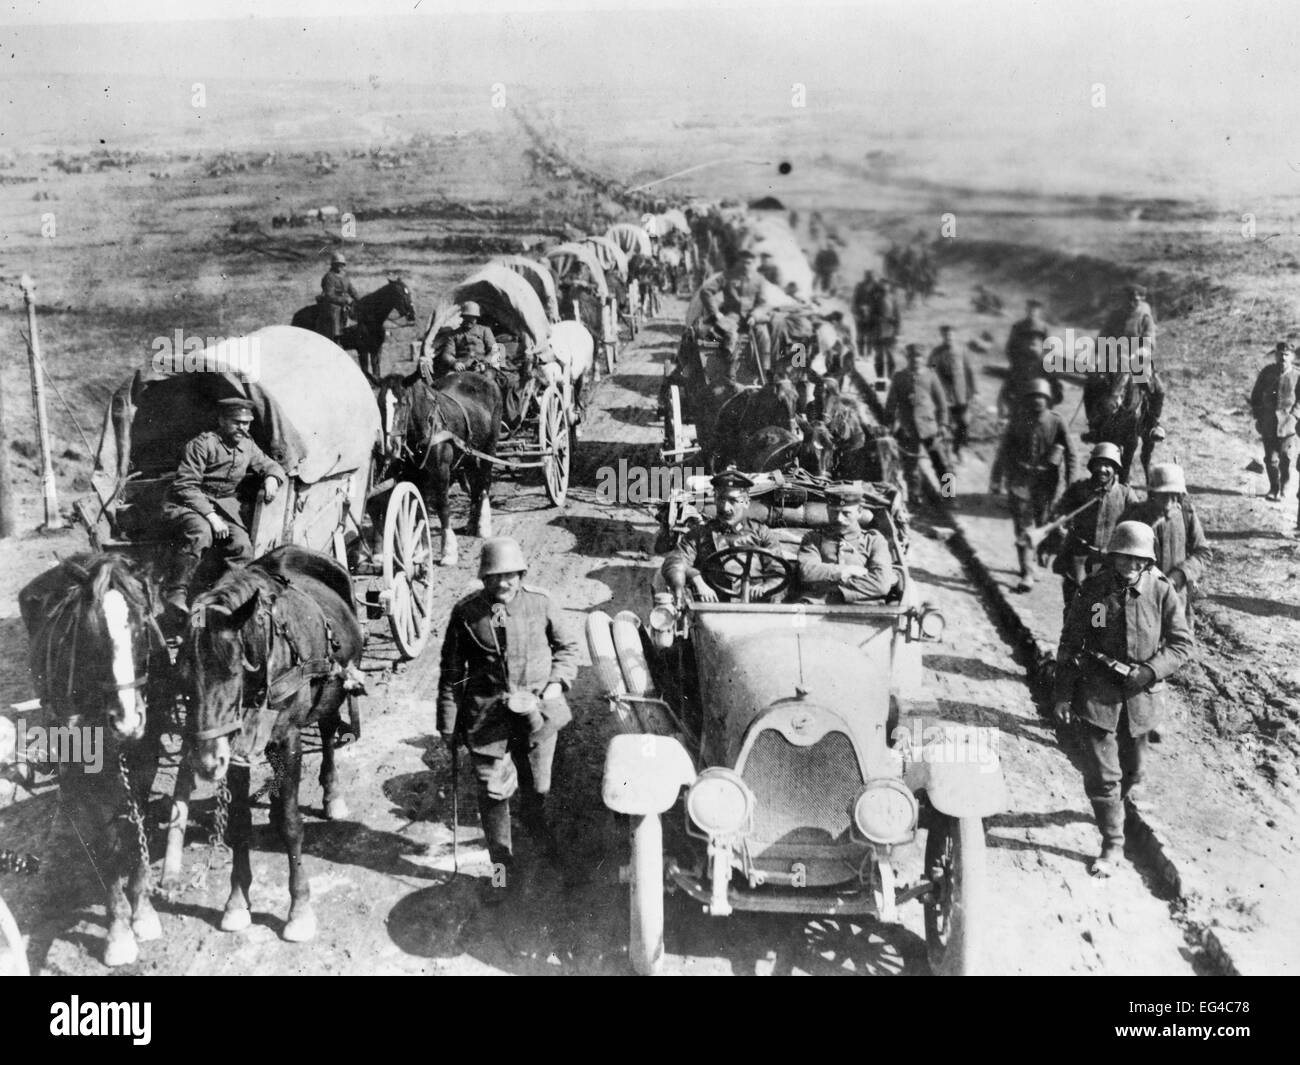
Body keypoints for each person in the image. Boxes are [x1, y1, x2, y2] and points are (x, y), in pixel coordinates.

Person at [437, 537, 580, 903]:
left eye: (510, 575)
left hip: (538, 716)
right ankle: (501, 875)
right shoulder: (466, 613)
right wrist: (448, 726)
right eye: (495, 577)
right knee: (492, 796)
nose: (503, 583)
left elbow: (568, 649)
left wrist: (555, 685)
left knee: (538, 792)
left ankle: (545, 847)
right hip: (487, 722)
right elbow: (452, 673)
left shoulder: (541, 604)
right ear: (484, 578)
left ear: (521, 574)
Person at [1052, 521, 1194, 877]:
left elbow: (1181, 644)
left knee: (1134, 771)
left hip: (1141, 697)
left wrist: (1149, 671)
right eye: (1123, 558)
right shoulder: (1096, 592)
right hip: (1098, 694)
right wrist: (1063, 694)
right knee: (1104, 776)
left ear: (1147, 562)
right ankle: (1112, 843)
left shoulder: (1161, 592)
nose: (1130, 566)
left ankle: (1114, 809)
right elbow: (1075, 641)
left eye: (1138, 560)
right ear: (1112, 556)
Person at [160, 397, 284, 624]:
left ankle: (223, 600)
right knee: (200, 532)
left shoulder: (247, 444)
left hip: (224, 509)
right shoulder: (202, 444)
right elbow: (185, 485)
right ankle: (176, 593)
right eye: (237, 422)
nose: (243, 428)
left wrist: (273, 478)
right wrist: (211, 517)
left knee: (241, 546)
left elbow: (269, 464)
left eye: (246, 423)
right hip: (187, 503)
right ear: (221, 420)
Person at [990, 378, 1075, 592]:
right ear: (1028, 400)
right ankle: (1027, 571)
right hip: (1020, 479)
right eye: (1034, 397)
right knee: (1023, 526)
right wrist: (996, 478)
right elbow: (1004, 451)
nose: (1038, 401)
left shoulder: (1057, 421)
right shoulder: (1018, 420)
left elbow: (1072, 454)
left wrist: (1070, 483)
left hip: (1046, 482)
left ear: (1048, 400)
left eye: (1042, 397)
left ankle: (1036, 559)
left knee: (1043, 523)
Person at [661, 468, 782, 603]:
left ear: (746, 502)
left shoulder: (761, 533)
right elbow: (675, 561)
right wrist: (697, 580)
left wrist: (766, 588)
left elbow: (779, 573)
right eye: (721, 499)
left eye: (732, 501)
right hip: (712, 611)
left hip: (755, 611)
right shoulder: (700, 534)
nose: (725, 508)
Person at [1045, 442, 1139, 612]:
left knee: (1099, 609)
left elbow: (1139, 521)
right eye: (1099, 463)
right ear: (1091, 465)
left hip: (1108, 564)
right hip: (1079, 559)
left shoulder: (1125, 494)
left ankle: (1093, 638)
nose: (1103, 469)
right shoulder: (1079, 489)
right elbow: (1059, 511)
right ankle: (1069, 638)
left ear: (1116, 469)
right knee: (1074, 606)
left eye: (1109, 465)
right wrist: (1060, 526)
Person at [1120, 463, 1210, 627]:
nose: (1169, 503)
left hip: (1177, 597)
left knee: (1179, 643)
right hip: (1140, 596)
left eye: (1174, 496)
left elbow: (1202, 553)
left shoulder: (1186, 516)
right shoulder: (1135, 515)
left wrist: (1180, 575)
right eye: (1163, 495)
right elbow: (1118, 554)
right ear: (1152, 494)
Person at [796, 484, 895, 603]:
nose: (839, 518)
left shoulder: (874, 541)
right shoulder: (813, 539)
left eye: (846, 513)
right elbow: (807, 572)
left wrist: (833, 591)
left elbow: (881, 584)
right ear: (827, 510)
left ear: (859, 512)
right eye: (834, 512)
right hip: (817, 611)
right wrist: (845, 571)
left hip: (864, 612)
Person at [885, 343, 951, 501]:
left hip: (930, 428)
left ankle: (949, 495)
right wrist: (889, 425)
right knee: (911, 466)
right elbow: (891, 404)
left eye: (919, 357)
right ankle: (915, 496)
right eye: (913, 357)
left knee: (942, 463)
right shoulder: (899, 377)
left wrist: (943, 424)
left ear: (923, 359)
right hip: (908, 429)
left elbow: (942, 404)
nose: (916, 360)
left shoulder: (930, 376)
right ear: (907, 358)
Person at [697, 246, 774, 379]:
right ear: (739, 262)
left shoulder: (759, 280)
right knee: (731, 335)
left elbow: (763, 303)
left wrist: (755, 315)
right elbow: (706, 291)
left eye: (749, 263)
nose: (746, 266)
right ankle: (729, 371)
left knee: (764, 337)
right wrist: (715, 313)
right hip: (731, 316)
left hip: (751, 318)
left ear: (754, 263)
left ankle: (764, 371)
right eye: (743, 262)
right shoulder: (727, 276)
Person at [1248, 341, 1299, 502]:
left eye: (1286, 355)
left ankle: (1284, 486)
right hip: (1269, 423)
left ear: (1292, 357)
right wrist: (1259, 416)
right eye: (1280, 354)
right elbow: (1255, 395)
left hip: (1289, 425)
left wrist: (1295, 416)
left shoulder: (1297, 376)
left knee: (1286, 458)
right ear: (1276, 355)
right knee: (1270, 459)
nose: (1283, 358)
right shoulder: (1267, 372)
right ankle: (1273, 488)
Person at [929, 325, 976, 461]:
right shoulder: (936, 352)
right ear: (942, 337)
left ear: (955, 336)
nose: (948, 338)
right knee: (944, 424)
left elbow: (969, 370)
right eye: (946, 335)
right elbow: (930, 371)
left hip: (961, 395)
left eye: (951, 335)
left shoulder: (962, 351)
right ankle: (945, 454)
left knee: (964, 423)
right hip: (943, 395)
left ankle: (957, 449)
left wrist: (975, 391)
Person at [1000, 300, 1054, 417]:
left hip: (1038, 368)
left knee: (1040, 392)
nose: (1032, 312)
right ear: (1026, 310)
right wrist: (1016, 363)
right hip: (1021, 367)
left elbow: (1049, 348)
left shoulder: (1044, 327)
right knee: (1018, 394)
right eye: (1030, 309)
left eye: (1035, 310)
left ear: (1039, 312)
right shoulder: (1018, 326)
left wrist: (1044, 362)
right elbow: (1010, 347)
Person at [318, 251, 359, 344]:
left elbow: (351, 290)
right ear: (333, 265)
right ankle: (335, 336)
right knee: (334, 310)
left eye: (342, 264)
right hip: (332, 303)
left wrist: (359, 299)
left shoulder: (344, 276)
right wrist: (344, 300)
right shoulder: (329, 277)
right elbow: (329, 295)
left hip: (345, 303)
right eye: (338, 264)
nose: (340, 266)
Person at [866, 279, 902, 380]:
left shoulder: (893, 300)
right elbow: (870, 317)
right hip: (877, 333)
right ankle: (880, 383)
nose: (885, 288)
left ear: (889, 287)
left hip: (890, 333)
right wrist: (878, 319)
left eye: (887, 286)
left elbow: (898, 317)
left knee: (891, 359)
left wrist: (897, 332)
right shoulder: (875, 300)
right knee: (879, 359)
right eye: (883, 286)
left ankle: (891, 382)